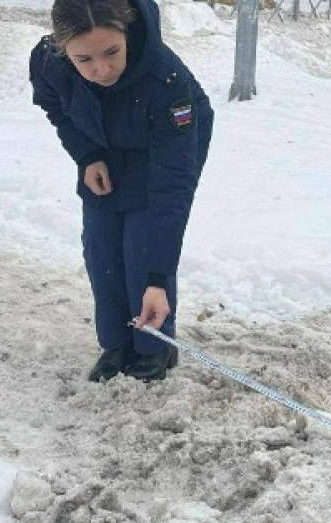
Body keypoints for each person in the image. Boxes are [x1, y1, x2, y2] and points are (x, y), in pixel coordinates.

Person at [29, 0, 213, 383]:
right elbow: (55, 107)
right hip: (106, 147)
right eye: (85, 60)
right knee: (102, 243)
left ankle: (154, 345)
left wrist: (158, 279)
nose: (101, 69)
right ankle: (116, 343)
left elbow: (170, 188)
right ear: (64, 52)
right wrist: (88, 155)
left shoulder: (167, 81)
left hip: (162, 148)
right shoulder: (48, 63)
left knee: (142, 243)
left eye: (111, 52)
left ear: (127, 32)